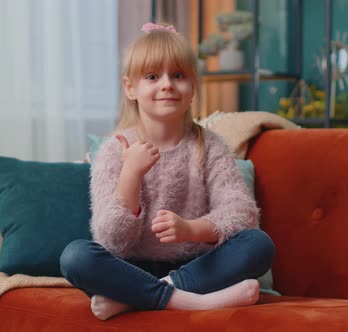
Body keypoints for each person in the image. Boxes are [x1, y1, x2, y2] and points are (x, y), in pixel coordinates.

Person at [60, 22, 275, 320]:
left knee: (258, 245)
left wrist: (191, 229)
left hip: (198, 266)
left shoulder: (209, 146)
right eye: (152, 76)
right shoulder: (114, 150)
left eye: (178, 75)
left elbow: (242, 215)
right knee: (75, 257)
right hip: (130, 268)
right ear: (130, 88)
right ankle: (193, 302)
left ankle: (142, 296)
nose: (167, 84)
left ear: (192, 87)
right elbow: (111, 241)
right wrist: (131, 175)